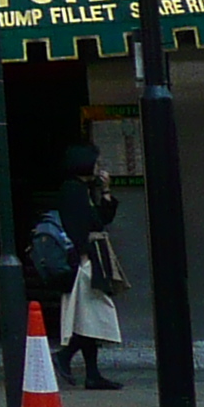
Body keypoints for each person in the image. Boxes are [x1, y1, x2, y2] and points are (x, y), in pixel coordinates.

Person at [55, 150, 124, 391]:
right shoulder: (73, 190)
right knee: (93, 312)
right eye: (96, 163)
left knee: (88, 316)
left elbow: (103, 218)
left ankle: (92, 374)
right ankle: (65, 355)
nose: (99, 167)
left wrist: (105, 192)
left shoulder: (82, 190)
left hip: (89, 259)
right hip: (84, 260)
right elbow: (85, 223)